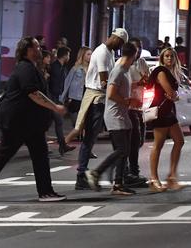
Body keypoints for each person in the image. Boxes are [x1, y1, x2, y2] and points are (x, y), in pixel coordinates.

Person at [0, 36, 67, 202]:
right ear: (28, 50)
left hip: (30, 122)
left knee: (40, 155)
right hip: (17, 121)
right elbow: (33, 93)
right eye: (37, 47)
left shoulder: (32, 67)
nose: (40, 49)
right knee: (5, 153)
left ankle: (45, 192)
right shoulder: (25, 68)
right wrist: (55, 107)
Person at [75, 28, 129, 190]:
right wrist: (117, 95)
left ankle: (118, 175)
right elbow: (104, 80)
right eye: (121, 42)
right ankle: (82, 175)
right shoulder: (103, 52)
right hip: (96, 98)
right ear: (116, 39)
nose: (121, 46)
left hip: (101, 98)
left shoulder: (109, 52)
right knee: (90, 137)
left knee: (112, 139)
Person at [86, 43, 142, 196]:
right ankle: (96, 172)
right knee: (122, 149)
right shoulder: (118, 71)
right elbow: (111, 94)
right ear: (135, 54)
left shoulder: (125, 71)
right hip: (114, 115)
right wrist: (128, 101)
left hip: (122, 115)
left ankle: (118, 183)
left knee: (124, 151)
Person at [147, 47, 185, 192]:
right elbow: (170, 92)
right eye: (166, 56)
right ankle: (153, 179)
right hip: (161, 111)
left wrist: (174, 96)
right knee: (158, 145)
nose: (169, 58)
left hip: (169, 111)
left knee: (179, 140)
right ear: (162, 58)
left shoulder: (170, 72)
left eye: (171, 56)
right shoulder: (161, 71)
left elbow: (173, 94)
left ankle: (171, 177)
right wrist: (174, 95)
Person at [124, 37, 150, 188]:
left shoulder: (142, 62)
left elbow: (147, 79)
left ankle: (130, 170)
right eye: (136, 48)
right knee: (133, 141)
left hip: (141, 106)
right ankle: (132, 171)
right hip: (128, 106)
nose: (138, 50)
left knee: (139, 141)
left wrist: (146, 81)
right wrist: (138, 83)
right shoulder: (124, 64)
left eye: (140, 47)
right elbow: (121, 85)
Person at [49, 46, 74, 155]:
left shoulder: (63, 68)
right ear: (64, 55)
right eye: (68, 55)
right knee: (57, 122)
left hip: (58, 99)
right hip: (53, 99)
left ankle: (62, 146)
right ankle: (62, 146)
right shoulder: (54, 67)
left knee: (57, 122)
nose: (69, 57)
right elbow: (53, 85)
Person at [61, 46, 91, 131]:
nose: (90, 56)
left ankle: (83, 137)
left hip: (87, 97)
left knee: (85, 121)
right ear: (83, 55)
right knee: (76, 122)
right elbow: (67, 83)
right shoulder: (76, 68)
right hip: (76, 97)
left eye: (91, 54)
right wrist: (63, 98)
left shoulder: (92, 68)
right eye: (88, 54)